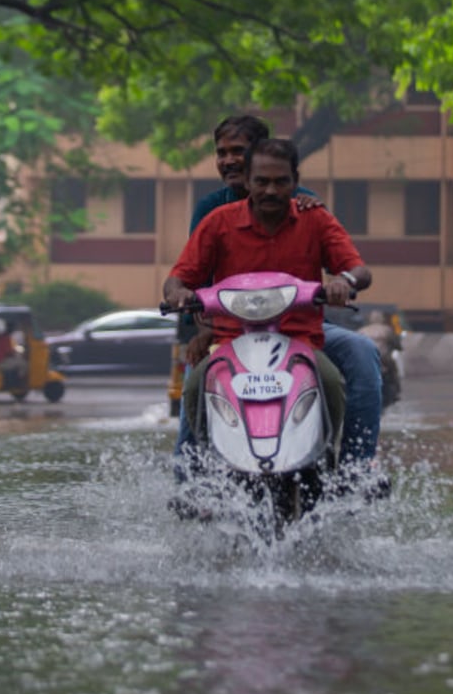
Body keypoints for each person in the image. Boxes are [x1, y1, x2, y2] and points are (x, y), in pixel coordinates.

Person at [164, 134, 385, 484]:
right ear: (247, 182)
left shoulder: (316, 220)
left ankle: (340, 468)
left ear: (295, 182)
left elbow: (360, 270)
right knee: (195, 388)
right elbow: (179, 276)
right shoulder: (218, 222)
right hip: (231, 340)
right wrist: (178, 294)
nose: (270, 190)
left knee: (328, 382)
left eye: (280, 182)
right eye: (261, 181)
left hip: (301, 340)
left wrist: (343, 281)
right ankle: (203, 478)